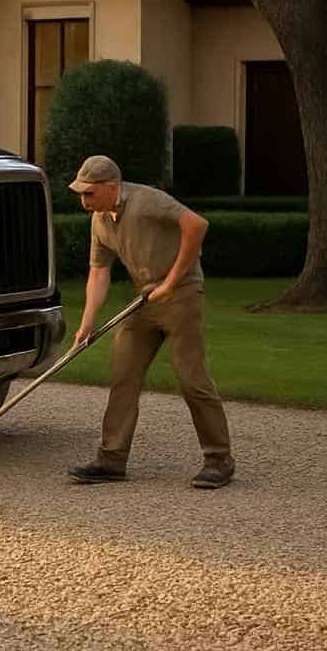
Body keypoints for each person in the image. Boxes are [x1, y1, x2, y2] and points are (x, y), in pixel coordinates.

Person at [66, 155, 235, 489]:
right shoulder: (100, 221)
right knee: (123, 375)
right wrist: (86, 323)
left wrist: (171, 282)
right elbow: (98, 273)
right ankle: (112, 459)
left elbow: (196, 225)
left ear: (111, 187)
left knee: (192, 379)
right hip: (144, 299)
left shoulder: (147, 201)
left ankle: (219, 460)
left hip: (182, 296)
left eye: (89, 193)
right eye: (81, 194)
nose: (84, 201)